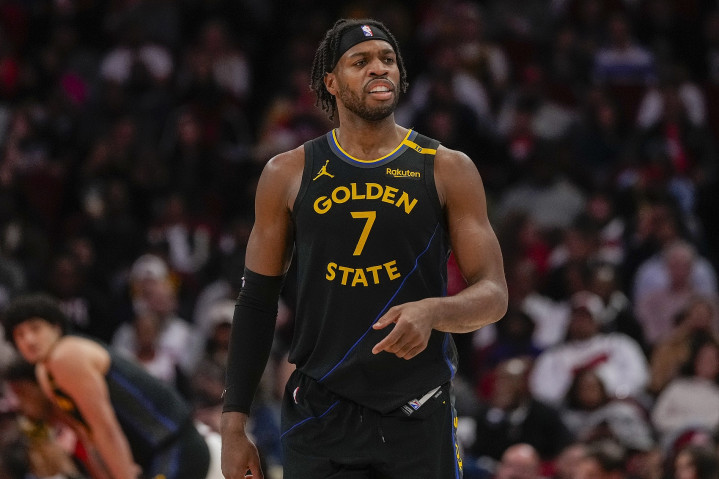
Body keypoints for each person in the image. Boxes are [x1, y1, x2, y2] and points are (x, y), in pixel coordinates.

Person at [220, 17, 508, 479]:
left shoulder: (446, 167)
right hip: (321, 411)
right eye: (361, 61)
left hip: (418, 409)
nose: (379, 68)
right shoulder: (287, 172)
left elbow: (494, 294)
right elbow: (256, 301)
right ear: (331, 82)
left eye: (388, 59)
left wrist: (433, 311)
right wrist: (234, 425)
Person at [1, 293, 211, 479]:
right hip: (153, 456)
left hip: (175, 447)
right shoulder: (44, 373)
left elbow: (106, 429)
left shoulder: (66, 355)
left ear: (56, 327)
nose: (29, 340)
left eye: (35, 329)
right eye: (20, 335)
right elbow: (89, 438)